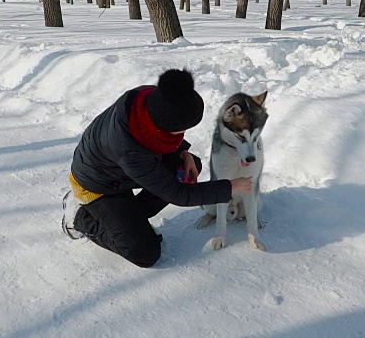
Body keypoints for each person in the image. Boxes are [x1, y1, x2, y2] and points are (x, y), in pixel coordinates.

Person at [61, 69, 252, 268]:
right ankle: (79, 217)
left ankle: (128, 220)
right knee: (145, 252)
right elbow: (178, 195)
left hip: (119, 170)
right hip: (98, 185)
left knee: (188, 167)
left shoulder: (149, 99)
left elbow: (165, 139)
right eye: (184, 128)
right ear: (167, 126)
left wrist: (183, 153)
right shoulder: (130, 151)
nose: (185, 133)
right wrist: (230, 187)